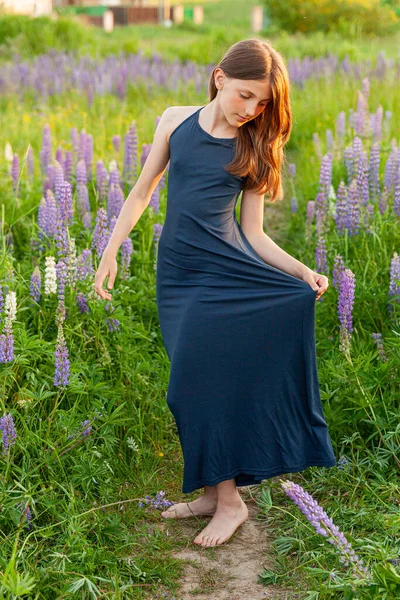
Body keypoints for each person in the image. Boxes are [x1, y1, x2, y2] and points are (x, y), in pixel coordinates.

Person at [94, 37, 337, 549]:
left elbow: (254, 234)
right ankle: (212, 492)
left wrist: (302, 272)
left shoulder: (255, 146)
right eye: (245, 95)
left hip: (224, 275)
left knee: (191, 387)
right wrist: (111, 250)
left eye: (263, 103)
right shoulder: (174, 121)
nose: (252, 110)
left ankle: (231, 503)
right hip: (176, 275)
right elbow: (142, 191)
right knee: (194, 387)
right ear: (220, 77)